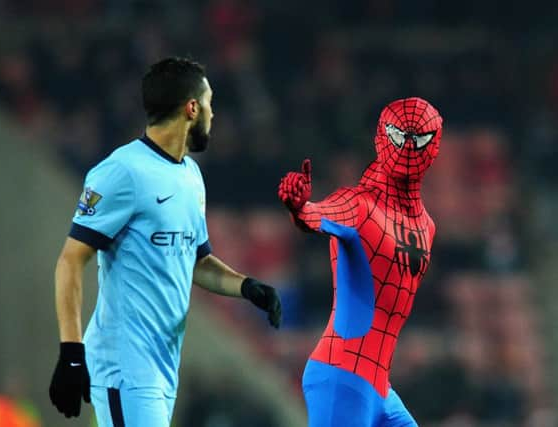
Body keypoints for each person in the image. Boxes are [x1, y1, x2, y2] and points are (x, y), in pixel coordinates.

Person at [49, 57, 282, 426]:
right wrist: (71, 353)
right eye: (209, 103)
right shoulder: (121, 171)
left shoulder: (191, 176)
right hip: (124, 365)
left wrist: (247, 287)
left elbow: (197, 261)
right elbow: (70, 261)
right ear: (192, 108)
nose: (213, 114)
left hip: (162, 367)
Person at [278, 97, 443, 427]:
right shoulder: (359, 204)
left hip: (380, 387)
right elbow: (321, 215)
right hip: (343, 374)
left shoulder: (427, 225)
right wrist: (300, 207)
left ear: (434, 145)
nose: (408, 148)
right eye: (399, 136)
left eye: (419, 139)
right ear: (381, 139)